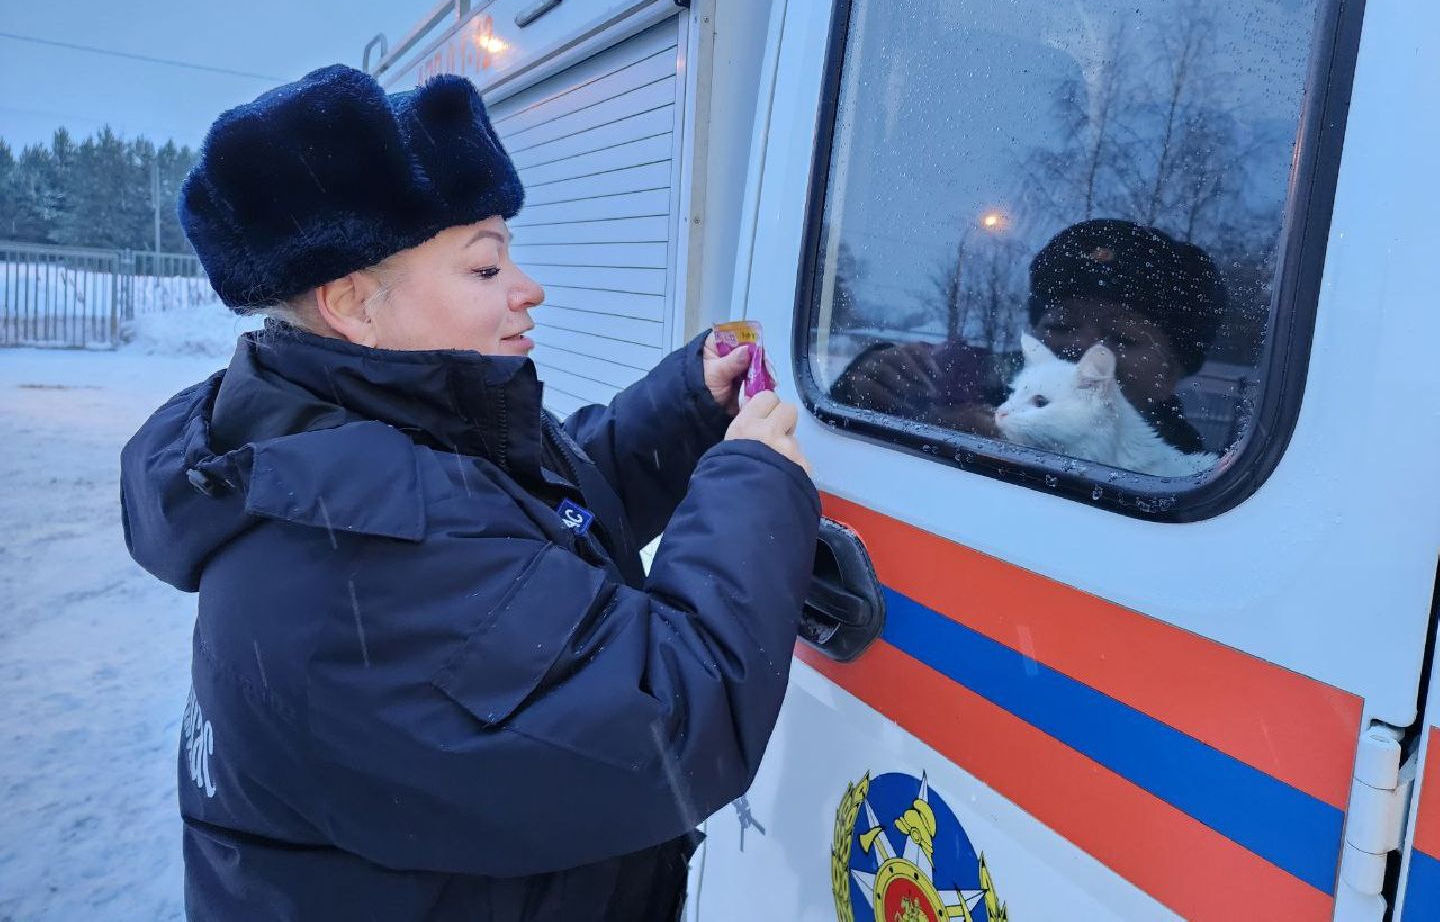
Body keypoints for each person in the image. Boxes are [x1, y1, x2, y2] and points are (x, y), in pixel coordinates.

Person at [119, 65, 820, 921]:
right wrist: (754, 486)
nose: (528, 288)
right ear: (352, 305)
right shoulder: (349, 556)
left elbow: (525, 525)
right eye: (486, 268)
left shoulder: (346, 441)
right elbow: (672, 717)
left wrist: (683, 411)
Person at [830, 219, 1226, 453]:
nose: (1082, 348)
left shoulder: (1189, 486)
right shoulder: (986, 384)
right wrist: (870, 380)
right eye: (1061, 326)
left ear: (1174, 371)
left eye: (1122, 337)